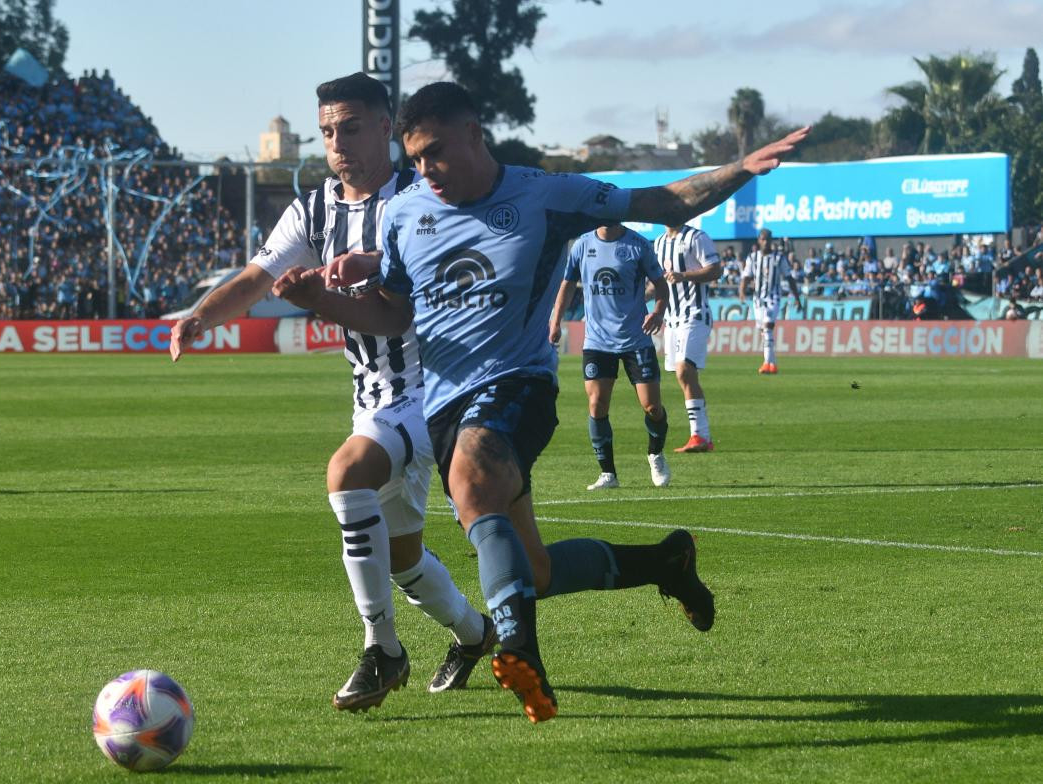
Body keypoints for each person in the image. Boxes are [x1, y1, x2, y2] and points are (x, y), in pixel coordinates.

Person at [273, 81, 807, 723]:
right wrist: (321, 302)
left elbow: (662, 201)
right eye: (414, 158)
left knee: (473, 477)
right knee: (536, 570)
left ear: (475, 133)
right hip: (445, 407)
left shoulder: (545, 193)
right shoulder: (406, 215)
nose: (425, 170)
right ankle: (668, 561)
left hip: (518, 384)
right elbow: (392, 313)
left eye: (436, 151)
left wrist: (739, 171)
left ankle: (519, 650)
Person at [169, 73, 494, 713]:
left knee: (346, 474)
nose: (336, 143)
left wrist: (320, 299)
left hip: (433, 391)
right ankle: (477, 633)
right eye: (326, 132)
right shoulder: (313, 209)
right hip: (372, 396)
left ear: (384, 129)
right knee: (402, 560)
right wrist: (200, 316)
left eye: (348, 128)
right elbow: (256, 276)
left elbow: (398, 316)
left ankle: (383, 651)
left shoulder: (420, 200)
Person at [548, 222, 672, 490]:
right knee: (597, 404)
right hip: (597, 341)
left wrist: (658, 312)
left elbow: (662, 286)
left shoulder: (637, 245)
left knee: (652, 406)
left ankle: (655, 453)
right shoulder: (582, 245)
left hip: (636, 338)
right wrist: (556, 321)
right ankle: (608, 474)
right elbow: (567, 285)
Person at [652, 223, 722, 453]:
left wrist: (685, 275)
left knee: (684, 370)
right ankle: (701, 436)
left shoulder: (697, 237)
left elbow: (715, 270)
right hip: (672, 319)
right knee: (686, 377)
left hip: (695, 313)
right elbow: (658, 283)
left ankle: (700, 436)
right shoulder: (659, 243)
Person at [740, 228, 802, 374]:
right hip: (758, 299)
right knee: (763, 331)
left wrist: (797, 298)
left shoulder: (779, 258)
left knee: (768, 326)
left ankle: (767, 363)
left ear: (771, 240)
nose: (766, 242)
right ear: (759, 240)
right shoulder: (753, 258)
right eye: (763, 239)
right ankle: (771, 363)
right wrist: (741, 291)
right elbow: (746, 276)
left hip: (773, 297)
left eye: (768, 239)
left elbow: (789, 277)